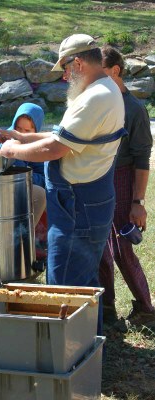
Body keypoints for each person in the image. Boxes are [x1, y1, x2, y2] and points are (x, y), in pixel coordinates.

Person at [0, 34, 127, 334]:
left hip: (77, 205)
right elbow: (63, 136)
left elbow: (55, 149)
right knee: (83, 281)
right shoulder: (103, 89)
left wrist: (11, 150)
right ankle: (89, 346)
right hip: (88, 200)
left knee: (65, 285)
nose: (66, 76)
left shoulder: (94, 98)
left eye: (67, 69)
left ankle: (72, 354)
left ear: (79, 62)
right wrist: (24, 137)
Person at [99, 46, 155, 327]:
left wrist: (137, 202)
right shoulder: (99, 102)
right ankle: (106, 307)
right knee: (99, 246)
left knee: (122, 247)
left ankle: (147, 309)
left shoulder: (133, 109)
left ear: (115, 71)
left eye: (101, 72)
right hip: (98, 180)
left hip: (122, 179)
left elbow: (142, 159)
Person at [0, 102, 46, 227]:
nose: (20, 134)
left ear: (36, 131)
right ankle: (21, 239)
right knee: (39, 194)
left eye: (27, 131)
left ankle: (37, 239)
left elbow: (43, 177)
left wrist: (30, 177)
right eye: (18, 128)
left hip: (16, 186)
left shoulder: (36, 144)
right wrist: (29, 175)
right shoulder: (4, 140)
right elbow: (15, 173)